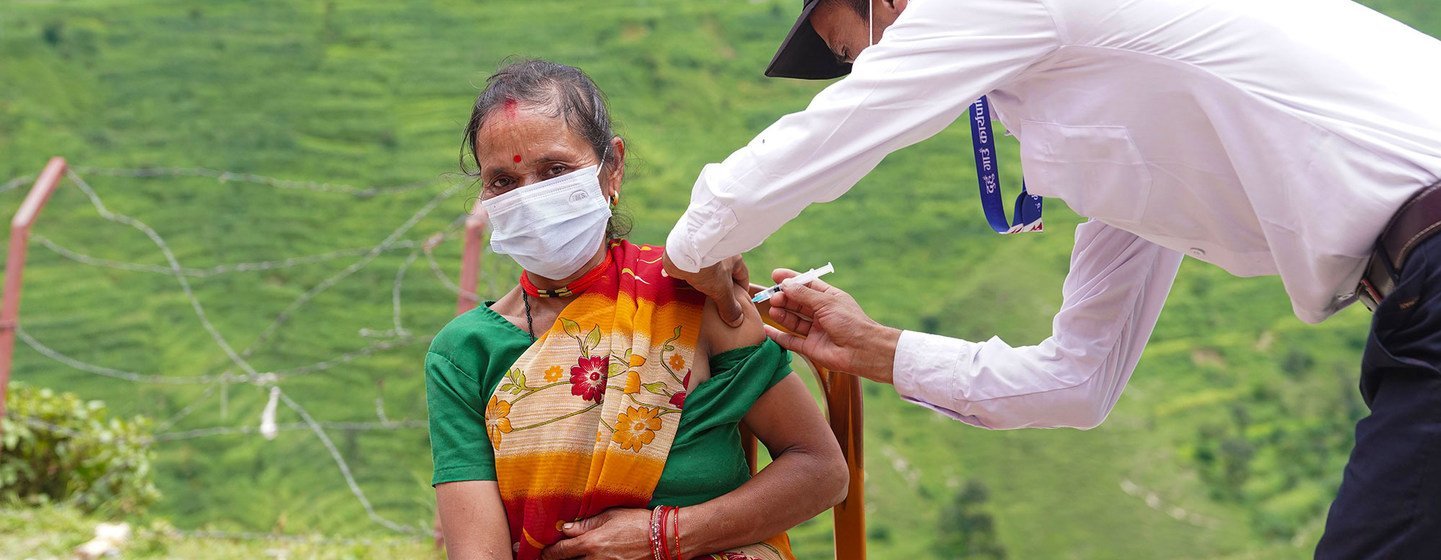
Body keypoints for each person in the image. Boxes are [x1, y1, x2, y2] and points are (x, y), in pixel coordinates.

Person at [660, 0, 1441, 556]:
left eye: (853, 47)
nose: (864, 69)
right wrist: (874, 348)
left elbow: (837, 131)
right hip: (1412, 301)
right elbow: (1079, 382)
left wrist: (695, 246)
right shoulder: (1120, 134)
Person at [426, 59, 847, 560]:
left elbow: (820, 471)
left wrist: (665, 535)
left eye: (555, 171)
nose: (531, 198)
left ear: (613, 167)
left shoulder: (693, 298)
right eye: (502, 181)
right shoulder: (464, 354)